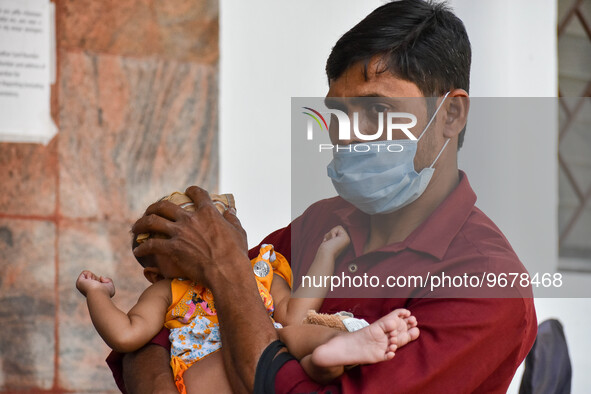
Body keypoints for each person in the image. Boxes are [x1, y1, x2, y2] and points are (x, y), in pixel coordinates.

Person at [112, 1, 537, 393]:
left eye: (378, 110)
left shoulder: (487, 285)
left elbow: (227, 291)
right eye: (339, 112)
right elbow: (159, 330)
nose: (347, 133)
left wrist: (225, 267)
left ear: (451, 114)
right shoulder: (323, 223)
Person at [78, 192, 419, 393]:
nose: (206, 237)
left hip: (268, 355)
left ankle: (329, 356)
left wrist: (324, 257)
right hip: (203, 374)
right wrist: (97, 293)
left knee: (294, 333)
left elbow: (293, 315)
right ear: (156, 272)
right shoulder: (171, 291)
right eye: (183, 240)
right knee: (271, 345)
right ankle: (325, 358)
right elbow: (127, 336)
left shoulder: (261, 270)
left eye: (212, 226)